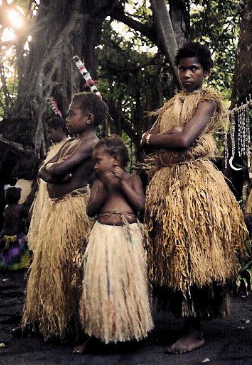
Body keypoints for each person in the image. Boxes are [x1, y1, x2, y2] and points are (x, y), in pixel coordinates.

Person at [140, 42, 247, 354]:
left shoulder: (208, 100)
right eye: (182, 68)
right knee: (171, 252)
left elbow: (185, 138)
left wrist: (156, 138)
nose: (186, 74)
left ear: (206, 72)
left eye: (193, 69)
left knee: (193, 252)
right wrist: (162, 138)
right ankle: (185, 321)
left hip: (194, 184)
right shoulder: (172, 102)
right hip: (165, 183)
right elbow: (156, 138)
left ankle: (194, 329)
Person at [19, 92, 108, 342]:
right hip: (58, 210)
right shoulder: (71, 143)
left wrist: (55, 171)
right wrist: (53, 171)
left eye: (72, 114)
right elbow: (47, 168)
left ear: (89, 118)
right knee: (48, 262)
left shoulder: (90, 143)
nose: (67, 118)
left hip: (73, 209)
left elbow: (57, 168)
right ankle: (46, 318)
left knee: (69, 265)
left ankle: (72, 323)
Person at [74, 136, 153, 354]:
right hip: (104, 236)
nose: (96, 165)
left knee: (127, 283)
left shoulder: (134, 179)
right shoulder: (98, 183)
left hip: (127, 236)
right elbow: (90, 211)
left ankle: (127, 331)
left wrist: (121, 185)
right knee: (100, 284)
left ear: (116, 160)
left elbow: (140, 206)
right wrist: (107, 189)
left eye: (99, 160)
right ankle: (96, 334)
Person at [27, 117, 69, 251]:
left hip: (59, 195)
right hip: (46, 193)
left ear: (60, 130)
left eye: (51, 132)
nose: (49, 136)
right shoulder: (54, 147)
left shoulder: (68, 145)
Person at [0, 186, 31, 270]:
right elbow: (26, 215)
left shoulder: (6, 207)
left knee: (5, 251)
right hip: (16, 235)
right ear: (18, 197)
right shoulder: (20, 208)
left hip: (5, 234)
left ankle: (6, 265)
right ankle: (16, 265)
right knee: (17, 251)